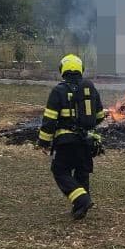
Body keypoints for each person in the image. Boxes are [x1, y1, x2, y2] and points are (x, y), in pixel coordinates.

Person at [37, 54, 105, 220]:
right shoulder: (90, 89)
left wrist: (43, 142)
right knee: (82, 173)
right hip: (86, 141)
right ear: (81, 69)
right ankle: (80, 208)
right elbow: (100, 115)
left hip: (66, 141)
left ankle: (81, 200)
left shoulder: (58, 91)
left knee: (60, 170)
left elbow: (50, 120)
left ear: (63, 70)